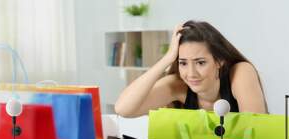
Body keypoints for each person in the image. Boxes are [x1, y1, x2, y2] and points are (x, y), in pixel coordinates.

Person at [115, 20, 268, 117]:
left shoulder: (240, 72)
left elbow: (254, 130)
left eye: (200, 62)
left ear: (219, 61)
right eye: (183, 63)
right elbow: (123, 109)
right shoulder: (178, 84)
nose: (191, 74)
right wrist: (167, 59)